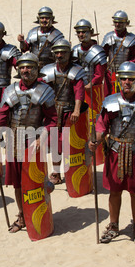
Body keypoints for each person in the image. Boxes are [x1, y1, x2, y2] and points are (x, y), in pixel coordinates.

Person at [88, 61, 135, 243]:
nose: (127, 82)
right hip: (114, 152)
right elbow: (102, 126)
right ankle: (113, 225)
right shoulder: (111, 102)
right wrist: (95, 141)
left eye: (130, 79)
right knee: (114, 191)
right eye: (123, 79)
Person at [0, 53, 57, 233]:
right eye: (22, 67)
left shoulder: (45, 91)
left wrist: (41, 137)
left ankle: (39, 213)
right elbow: (2, 113)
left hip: (34, 142)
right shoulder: (10, 90)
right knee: (18, 183)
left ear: (37, 69)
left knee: (35, 181)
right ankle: (22, 215)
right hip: (14, 140)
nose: (25, 70)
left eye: (29, 67)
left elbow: (52, 120)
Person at [40, 39, 86, 184]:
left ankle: (73, 172)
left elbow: (79, 92)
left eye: (63, 52)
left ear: (69, 53)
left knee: (70, 143)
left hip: (69, 112)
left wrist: (77, 110)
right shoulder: (48, 70)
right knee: (55, 143)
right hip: (54, 113)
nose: (60, 55)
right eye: (57, 52)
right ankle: (55, 172)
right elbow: (41, 89)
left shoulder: (76, 71)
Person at [101, 10, 135, 94]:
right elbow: (102, 56)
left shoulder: (132, 39)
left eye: (120, 22)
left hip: (126, 75)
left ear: (126, 23)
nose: (117, 24)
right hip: (110, 74)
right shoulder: (108, 37)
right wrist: (104, 69)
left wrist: (127, 71)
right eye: (116, 22)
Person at [72, 19, 110, 97]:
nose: (81, 34)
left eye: (84, 32)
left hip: (94, 89)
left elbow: (99, 74)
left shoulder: (98, 51)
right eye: (78, 32)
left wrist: (91, 84)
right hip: (78, 88)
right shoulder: (75, 50)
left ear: (91, 32)